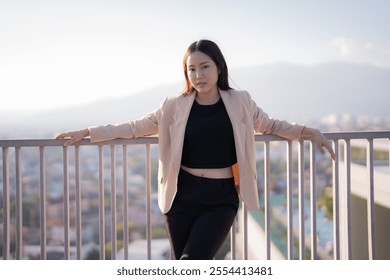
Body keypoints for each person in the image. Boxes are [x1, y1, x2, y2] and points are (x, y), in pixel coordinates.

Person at [56, 39, 336, 260]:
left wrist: (309, 131)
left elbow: (270, 124)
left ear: (219, 68)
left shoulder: (240, 101)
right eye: (192, 69)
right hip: (180, 196)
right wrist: (89, 132)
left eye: (204, 67)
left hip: (221, 198)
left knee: (191, 262)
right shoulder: (174, 105)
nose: (198, 74)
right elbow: (134, 127)